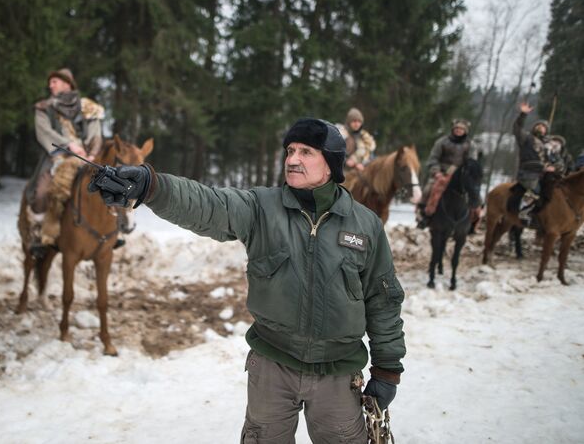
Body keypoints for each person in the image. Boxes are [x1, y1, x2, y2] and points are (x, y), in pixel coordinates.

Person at [89, 118, 406, 444]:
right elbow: (209, 205)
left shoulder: (365, 225)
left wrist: (387, 369)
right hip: (272, 368)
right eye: (290, 151)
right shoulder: (261, 208)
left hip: (338, 376)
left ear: (332, 164)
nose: (293, 159)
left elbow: (383, 301)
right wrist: (151, 187)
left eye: (306, 152)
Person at [24, 68, 104, 258]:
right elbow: (44, 133)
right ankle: (38, 234)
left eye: (55, 81)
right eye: (50, 82)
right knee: (42, 191)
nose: (50, 85)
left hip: (87, 157)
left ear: (68, 83)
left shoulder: (88, 107)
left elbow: (95, 134)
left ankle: (110, 231)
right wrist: (69, 146)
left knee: (107, 185)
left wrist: (92, 154)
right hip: (57, 157)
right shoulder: (44, 107)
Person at [416, 118, 472, 228]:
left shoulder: (470, 145)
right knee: (429, 189)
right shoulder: (442, 142)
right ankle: (424, 214)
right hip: (442, 173)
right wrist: (436, 172)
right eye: (457, 128)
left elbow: (472, 161)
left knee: (473, 191)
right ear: (453, 129)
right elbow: (433, 158)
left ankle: (474, 219)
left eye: (461, 129)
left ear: (465, 131)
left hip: (461, 175)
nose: (458, 131)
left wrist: (467, 173)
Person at [507, 102, 556, 226]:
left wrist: (554, 166)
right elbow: (517, 128)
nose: (540, 127)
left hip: (544, 174)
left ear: (546, 130)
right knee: (536, 191)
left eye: (543, 126)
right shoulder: (526, 138)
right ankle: (524, 212)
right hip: (529, 172)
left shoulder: (550, 144)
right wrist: (523, 114)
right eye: (538, 125)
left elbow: (555, 160)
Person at [337, 107, 376, 172]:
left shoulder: (365, 138)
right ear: (349, 122)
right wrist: (346, 161)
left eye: (359, 121)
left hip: (361, 171)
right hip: (342, 171)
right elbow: (334, 153)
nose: (357, 124)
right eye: (354, 121)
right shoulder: (341, 134)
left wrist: (363, 165)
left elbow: (370, 155)